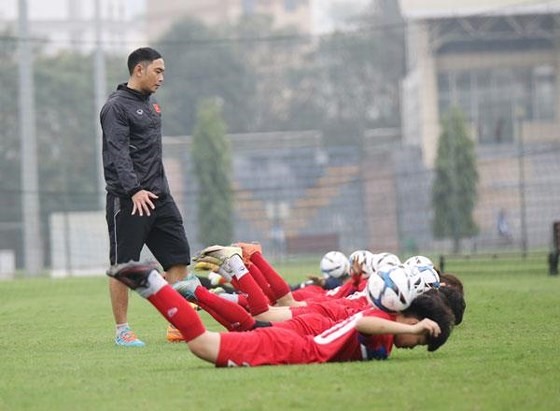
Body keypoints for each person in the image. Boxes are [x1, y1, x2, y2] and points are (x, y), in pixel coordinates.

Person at [107, 261, 454, 367]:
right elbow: (360, 321)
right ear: (409, 317)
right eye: (420, 338)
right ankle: (155, 284)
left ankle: (157, 284)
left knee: (228, 332)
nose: (414, 345)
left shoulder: (385, 332)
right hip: (296, 346)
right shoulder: (380, 322)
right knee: (202, 343)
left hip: (298, 341)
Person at [100, 47, 191, 346]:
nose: (162, 77)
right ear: (139, 70)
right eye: (158, 71)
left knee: (178, 259)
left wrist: (156, 189)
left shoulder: (152, 106)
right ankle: (122, 331)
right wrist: (133, 189)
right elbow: (118, 152)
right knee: (123, 266)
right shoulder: (116, 107)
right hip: (128, 199)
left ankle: (177, 324)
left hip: (160, 198)